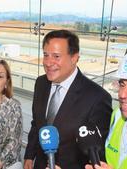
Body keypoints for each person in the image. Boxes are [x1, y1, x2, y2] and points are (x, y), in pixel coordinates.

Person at [24, 29, 112, 169]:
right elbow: (37, 124)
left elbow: (97, 154)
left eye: (56, 56)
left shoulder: (97, 98)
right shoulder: (41, 83)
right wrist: (29, 155)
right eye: (46, 55)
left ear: (74, 57)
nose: (48, 62)